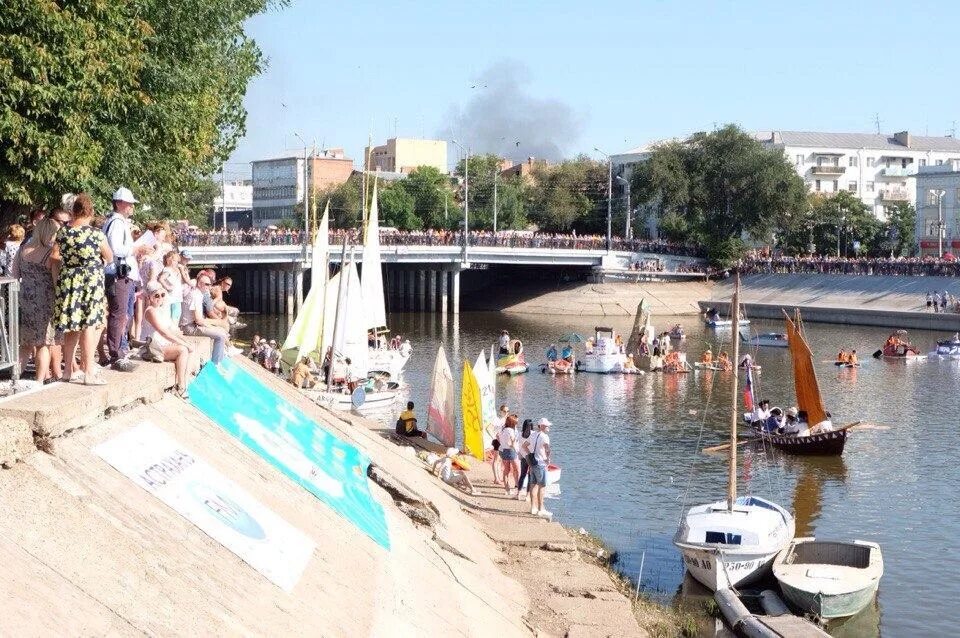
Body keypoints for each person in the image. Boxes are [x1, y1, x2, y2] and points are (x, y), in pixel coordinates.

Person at [51, 194, 112, 385]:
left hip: (69, 283)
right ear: (90, 212)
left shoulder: (63, 232)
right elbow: (109, 257)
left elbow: (54, 256)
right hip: (90, 283)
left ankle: (67, 370)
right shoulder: (96, 234)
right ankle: (88, 372)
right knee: (89, 326)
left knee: (71, 328)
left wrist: (72, 264)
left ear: (73, 211)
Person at [12, 218, 62, 383]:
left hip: (25, 299)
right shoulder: (50, 254)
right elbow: (55, 280)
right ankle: (39, 381)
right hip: (45, 301)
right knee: (44, 343)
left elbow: (14, 275)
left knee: (25, 344)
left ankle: (16, 377)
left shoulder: (22, 250)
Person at [103, 187, 140, 371]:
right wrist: (135, 249)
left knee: (121, 314)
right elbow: (116, 249)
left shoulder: (117, 222)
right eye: (129, 203)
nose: (131, 206)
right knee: (119, 315)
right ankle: (116, 354)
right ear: (119, 203)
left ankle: (119, 351)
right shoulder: (117, 223)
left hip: (119, 274)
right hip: (119, 274)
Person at [141, 281, 194, 398]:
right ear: (149, 297)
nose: (160, 298)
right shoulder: (150, 311)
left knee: (188, 348)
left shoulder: (162, 309)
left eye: (162, 295)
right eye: (156, 296)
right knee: (182, 350)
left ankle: (184, 383)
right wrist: (182, 343)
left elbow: (172, 329)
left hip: (161, 345)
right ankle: (180, 387)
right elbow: (163, 332)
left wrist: (185, 341)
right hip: (152, 347)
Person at [180, 273, 228, 364]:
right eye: (206, 284)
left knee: (221, 331)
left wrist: (214, 324)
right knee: (220, 335)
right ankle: (216, 363)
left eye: (210, 284)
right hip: (189, 327)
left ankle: (221, 358)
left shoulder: (198, 294)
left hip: (193, 324)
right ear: (199, 284)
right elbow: (198, 320)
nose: (209, 287)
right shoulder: (195, 296)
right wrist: (214, 323)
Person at [522, 418, 553, 518]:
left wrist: (530, 454)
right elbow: (547, 449)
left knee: (533, 485)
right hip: (540, 464)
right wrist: (548, 459)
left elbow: (524, 446)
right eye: (547, 426)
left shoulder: (533, 434)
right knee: (542, 486)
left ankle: (533, 508)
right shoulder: (545, 437)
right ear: (542, 426)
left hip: (533, 463)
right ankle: (541, 509)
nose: (548, 427)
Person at [497, 415, 521, 495]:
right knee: (517, 469)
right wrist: (517, 451)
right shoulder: (510, 430)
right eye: (516, 422)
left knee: (506, 470)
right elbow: (511, 443)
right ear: (513, 422)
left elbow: (497, 436)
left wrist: (502, 443)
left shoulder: (504, 428)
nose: (517, 423)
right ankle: (517, 487)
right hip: (510, 450)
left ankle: (507, 489)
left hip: (502, 450)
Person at [516, 419, 534, 500]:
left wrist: (519, 454)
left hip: (523, 457)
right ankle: (527, 496)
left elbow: (519, 445)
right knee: (530, 476)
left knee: (522, 475)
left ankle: (518, 494)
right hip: (530, 456)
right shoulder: (533, 434)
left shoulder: (520, 434)